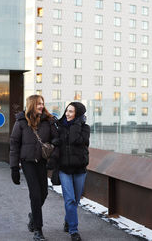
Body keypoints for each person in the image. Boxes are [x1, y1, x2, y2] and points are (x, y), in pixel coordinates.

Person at [10, 95, 59, 241]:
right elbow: (14, 144)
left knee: (43, 193)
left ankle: (33, 215)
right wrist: (14, 168)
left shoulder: (48, 121)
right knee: (36, 194)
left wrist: (53, 154)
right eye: (38, 104)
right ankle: (38, 230)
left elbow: (56, 139)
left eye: (43, 103)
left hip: (42, 162)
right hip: (28, 162)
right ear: (32, 105)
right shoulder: (21, 122)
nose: (41, 106)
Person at [48, 102, 90, 241]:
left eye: (71, 112)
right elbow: (53, 141)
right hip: (64, 169)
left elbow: (75, 140)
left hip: (79, 169)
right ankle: (74, 231)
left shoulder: (85, 128)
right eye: (67, 111)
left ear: (78, 114)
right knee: (70, 200)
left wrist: (77, 124)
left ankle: (68, 221)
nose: (67, 114)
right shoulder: (59, 127)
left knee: (76, 200)